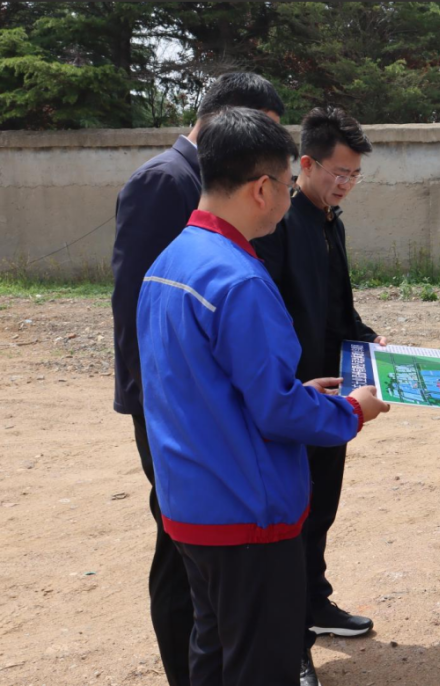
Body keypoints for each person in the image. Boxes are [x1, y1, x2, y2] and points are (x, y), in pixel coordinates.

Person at [137, 107, 390, 686]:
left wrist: (295, 391)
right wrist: (353, 410)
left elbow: (204, 387)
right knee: (259, 666)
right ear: (261, 188)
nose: (287, 197)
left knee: (213, 652)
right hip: (247, 513)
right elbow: (276, 411)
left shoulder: (170, 262)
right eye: (284, 183)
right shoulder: (242, 280)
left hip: (192, 505)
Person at [110, 72, 284, 686]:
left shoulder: (206, 181)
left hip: (202, 398)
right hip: (177, 407)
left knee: (198, 555)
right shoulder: (167, 181)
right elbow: (141, 308)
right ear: (225, 120)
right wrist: (166, 404)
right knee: (184, 550)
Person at [252, 106, 383, 686]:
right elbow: (273, 314)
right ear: (304, 163)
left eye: (355, 175)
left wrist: (364, 336)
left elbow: (335, 302)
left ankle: (316, 602)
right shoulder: (280, 223)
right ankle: (293, 643)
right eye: (338, 172)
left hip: (336, 388)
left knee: (322, 506)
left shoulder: (331, 219)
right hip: (298, 395)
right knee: (294, 517)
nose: (346, 184)